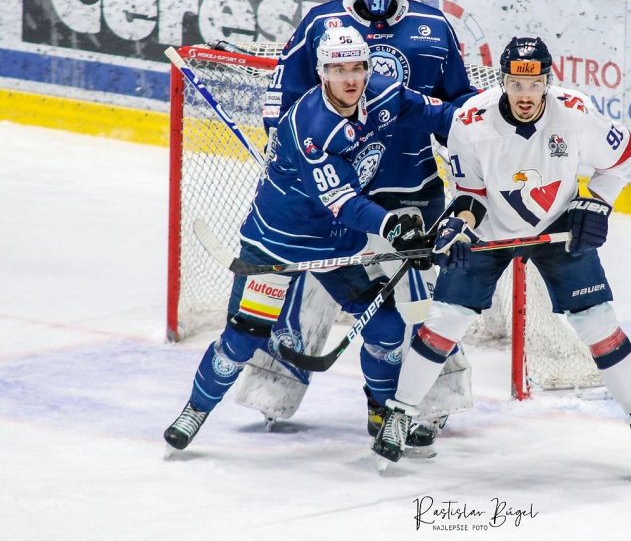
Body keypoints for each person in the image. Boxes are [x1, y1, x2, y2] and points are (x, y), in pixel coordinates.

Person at [371, 37, 631, 474]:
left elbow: (623, 155)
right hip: (491, 227)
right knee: (445, 321)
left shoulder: (576, 113)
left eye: (534, 84)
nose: (526, 95)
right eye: (516, 84)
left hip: (556, 226)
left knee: (597, 323)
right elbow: (471, 194)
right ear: (503, 81)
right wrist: (460, 226)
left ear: (548, 81)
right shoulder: (470, 120)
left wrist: (596, 203)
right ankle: (400, 414)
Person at [163, 27, 457, 451]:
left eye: (357, 67)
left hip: (338, 245)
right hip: (278, 244)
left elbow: (443, 116)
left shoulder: (384, 93)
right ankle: (196, 409)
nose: (350, 79)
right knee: (243, 338)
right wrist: (393, 227)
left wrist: (493, 120)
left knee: (387, 329)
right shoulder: (313, 126)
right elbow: (345, 203)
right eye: (338, 70)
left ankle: (383, 412)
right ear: (322, 73)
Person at [245, 0, 478, 436]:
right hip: (338, 190)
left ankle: (428, 404)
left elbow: (458, 104)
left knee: (421, 300)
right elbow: (283, 93)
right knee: (310, 283)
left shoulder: (432, 25)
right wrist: (281, 148)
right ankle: (272, 389)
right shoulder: (322, 23)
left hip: (412, 186)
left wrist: (475, 150)